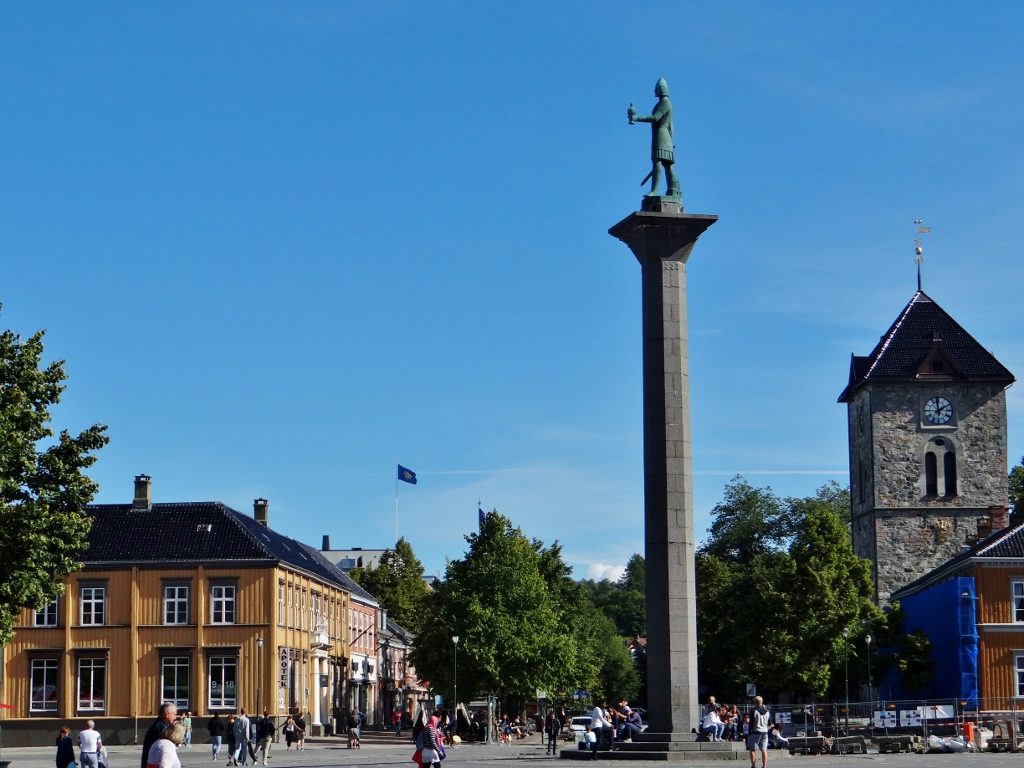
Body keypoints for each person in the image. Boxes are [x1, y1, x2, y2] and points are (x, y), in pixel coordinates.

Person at [627, 78, 680, 199]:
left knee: (659, 162)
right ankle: (671, 188)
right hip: (663, 135)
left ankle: (655, 190)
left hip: (662, 135)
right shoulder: (663, 103)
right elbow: (672, 126)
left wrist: (637, 118)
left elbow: (656, 117)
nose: (654, 91)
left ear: (659, 89)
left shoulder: (665, 103)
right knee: (667, 165)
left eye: (656, 89)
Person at [141, 703, 177, 768]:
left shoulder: (159, 724)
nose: (175, 717)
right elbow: (168, 747)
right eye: (174, 714)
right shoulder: (162, 728)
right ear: (167, 714)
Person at [747, 696, 771, 768]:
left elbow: (751, 723)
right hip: (765, 732)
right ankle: (764, 766)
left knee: (752, 749)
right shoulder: (767, 712)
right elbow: (770, 723)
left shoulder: (754, 711)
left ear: (755, 702)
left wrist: (749, 731)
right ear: (762, 702)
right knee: (764, 750)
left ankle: (753, 765)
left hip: (755, 732)